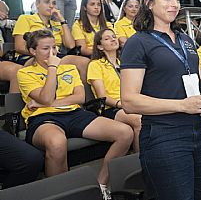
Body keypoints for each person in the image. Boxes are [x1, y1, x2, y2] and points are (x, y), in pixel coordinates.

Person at [120, 0, 201, 200]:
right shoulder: (138, 42)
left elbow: (194, 80)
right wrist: (182, 106)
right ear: (149, 3)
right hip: (166, 136)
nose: (174, 4)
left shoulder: (186, 39)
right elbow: (128, 101)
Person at [17, 29, 133, 199]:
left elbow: (79, 97)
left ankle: (101, 185)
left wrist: (50, 102)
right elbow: (46, 97)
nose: (52, 52)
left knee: (125, 132)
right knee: (57, 143)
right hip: (44, 118)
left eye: (54, 47)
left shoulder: (69, 69)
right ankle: (62, 194)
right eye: (45, 48)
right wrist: (51, 68)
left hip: (74, 113)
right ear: (33, 51)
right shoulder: (24, 73)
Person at [13, 0, 89, 82]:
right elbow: (19, 46)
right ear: (37, 4)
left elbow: (71, 45)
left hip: (55, 56)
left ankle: (82, 94)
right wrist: (43, 54)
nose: (51, 6)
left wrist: (62, 20)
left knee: (84, 62)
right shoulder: (26, 18)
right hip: (31, 56)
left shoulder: (57, 24)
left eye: (54, 3)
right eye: (47, 2)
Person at [87, 28, 141, 153]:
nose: (113, 39)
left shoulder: (124, 62)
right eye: (107, 38)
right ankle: (139, 161)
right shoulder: (95, 65)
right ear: (100, 46)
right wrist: (121, 104)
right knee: (140, 120)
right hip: (112, 107)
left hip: (130, 102)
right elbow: (102, 96)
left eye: (114, 36)